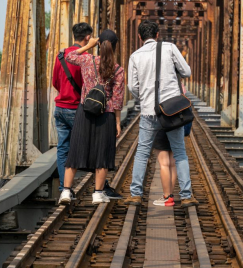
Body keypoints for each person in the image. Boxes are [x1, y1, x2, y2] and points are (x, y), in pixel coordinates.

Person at [126, 20, 198, 208]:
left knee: (142, 153)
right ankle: (186, 195)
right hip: (172, 110)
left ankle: (136, 194)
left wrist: (144, 97)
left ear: (139, 37)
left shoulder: (135, 56)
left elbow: (132, 87)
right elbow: (187, 71)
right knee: (180, 152)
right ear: (157, 35)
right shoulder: (169, 48)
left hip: (149, 111)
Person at [52, 23, 122, 200]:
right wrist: (117, 122)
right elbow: (117, 100)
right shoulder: (118, 69)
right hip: (106, 114)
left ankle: (66, 191)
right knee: (102, 154)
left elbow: (68, 56)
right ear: (115, 47)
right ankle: (98, 193)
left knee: (75, 151)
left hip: (84, 112)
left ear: (99, 44)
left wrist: (88, 46)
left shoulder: (87, 60)